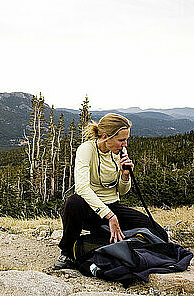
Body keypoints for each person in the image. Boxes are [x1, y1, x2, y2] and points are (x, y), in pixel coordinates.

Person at [54, 113, 169, 270]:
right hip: (90, 209)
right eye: (121, 140)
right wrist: (109, 215)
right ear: (105, 136)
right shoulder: (86, 149)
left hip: (113, 206)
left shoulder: (118, 154)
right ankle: (67, 252)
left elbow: (122, 191)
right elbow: (81, 187)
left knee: (160, 235)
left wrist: (125, 175)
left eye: (126, 140)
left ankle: (98, 241)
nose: (125, 144)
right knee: (73, 201)